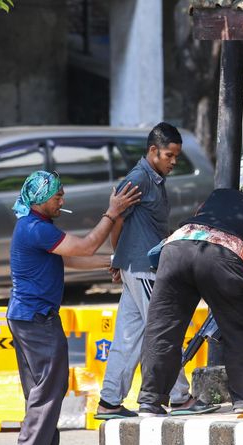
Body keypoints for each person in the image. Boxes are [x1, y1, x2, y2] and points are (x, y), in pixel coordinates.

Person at [5, 170, 141, 445]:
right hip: (36, 318)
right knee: (50, 388)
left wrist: (113, 262)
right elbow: (86, 247)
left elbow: (71, 259)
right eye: (58, 196)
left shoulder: (37, 227)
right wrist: (112, 213)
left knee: (42, 390)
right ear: (41, 199)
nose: (62, 200)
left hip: (28, 317)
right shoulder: (35, 229)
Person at [137, 185, 243, 415]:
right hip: (221, 257)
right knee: (239, 330)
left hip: (175, 249)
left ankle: (150, 401)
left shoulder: (219, 198)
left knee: (162, 328)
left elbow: (200, 224)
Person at [95, 123, 216, 420]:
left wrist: (121, 260)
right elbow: (117, 219)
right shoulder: (139, 179)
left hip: (136, 267)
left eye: (176, 156)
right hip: (143, 269)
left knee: (128, 337)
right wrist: (119, 256)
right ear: (152, 151)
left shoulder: (151, 178)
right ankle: (179, 397)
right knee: (164, 332)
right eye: (168, 155)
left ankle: (109, 402)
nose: (173, 162)